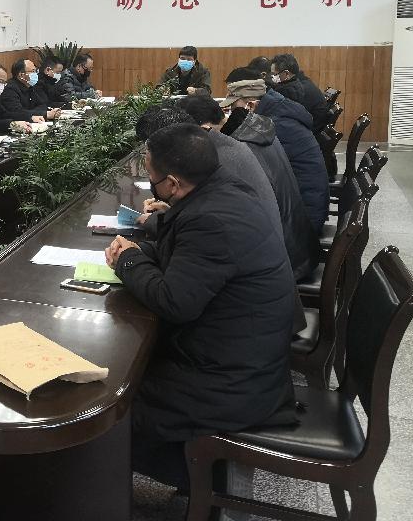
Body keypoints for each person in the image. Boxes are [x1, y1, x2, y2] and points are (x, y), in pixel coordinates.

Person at [104, 124, 297, 490]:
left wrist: (129, 261)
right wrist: (142, 251)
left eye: (152, 177)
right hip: (243, 357)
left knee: (111, 409)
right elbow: (188, 260)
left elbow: (174, 301)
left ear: (173, 184)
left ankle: (208, 482)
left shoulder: (210, 221)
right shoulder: (225, 189)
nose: (151, 184)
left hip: (229, 383)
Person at [179, 96, 321, 283]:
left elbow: (223, 218)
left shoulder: (236, 149)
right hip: (298, 244)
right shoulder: (255, 129)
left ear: (204, 128)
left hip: (284, 264)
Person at [222, 70, 329, 232]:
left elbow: (251, 170)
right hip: (302, 206)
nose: (231, 112)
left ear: (251, 105)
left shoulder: (275, 125)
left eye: (233, 107)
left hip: (303, 221)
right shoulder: (278, 111)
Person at [271, 53, 329, 132]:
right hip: (315, 126)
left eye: (274, 74)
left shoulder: (293, 90)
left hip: (310, 130)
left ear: (286, 74)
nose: (272, 78)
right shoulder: (302, 80)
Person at [1, 58, 61, 122]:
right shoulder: (10, 89)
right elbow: (17, 113)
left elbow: (42, 105)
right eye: (33, 71)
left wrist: (32, 112)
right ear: (21, 75)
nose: (36, 74)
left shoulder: (30, 86)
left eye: (36, 71)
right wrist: (45, 114)